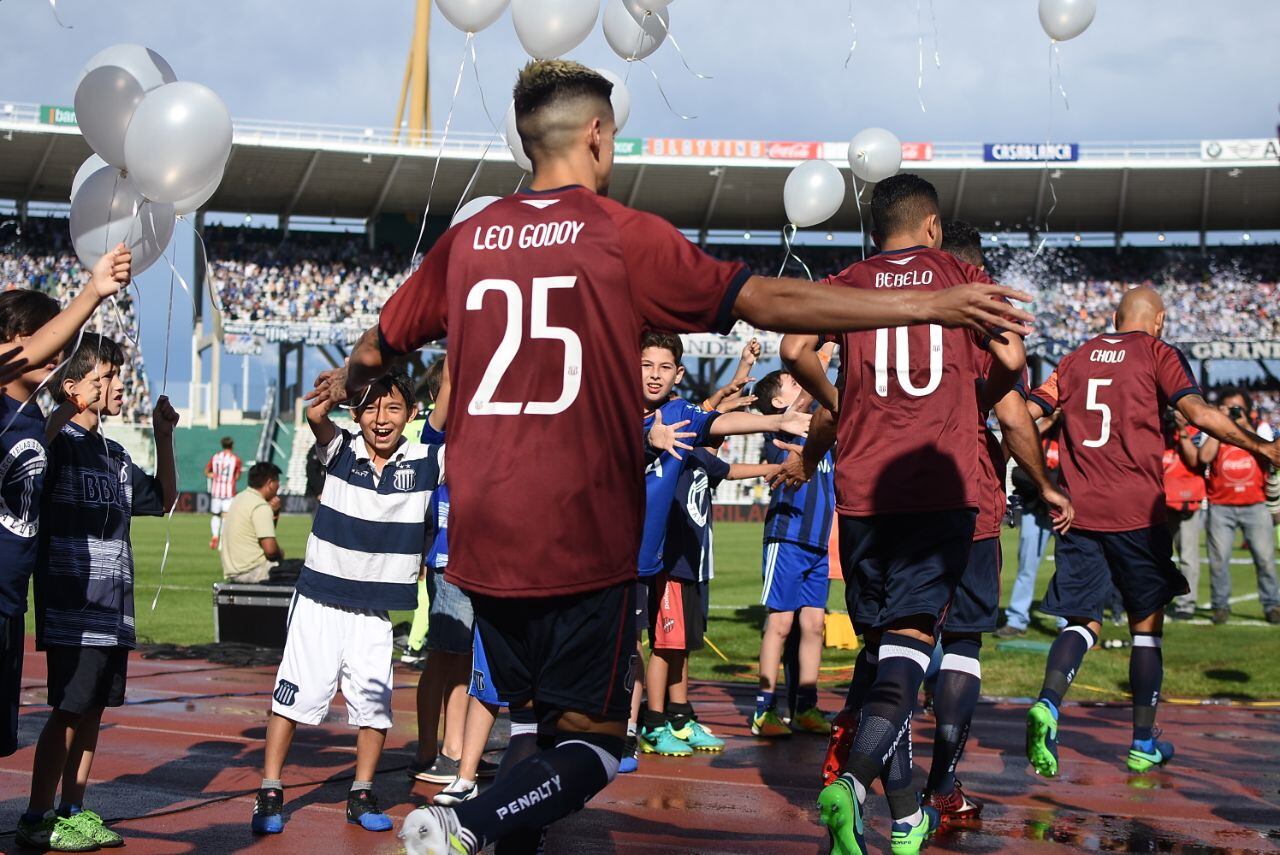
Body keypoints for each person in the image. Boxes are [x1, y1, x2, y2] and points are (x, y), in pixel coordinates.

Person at [324, 61, 1030, 855]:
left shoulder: (465, 242)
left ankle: (486, 828)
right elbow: (765, 299)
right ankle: (463, 825)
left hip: (484, 532)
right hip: (577, 531)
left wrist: (341, 389)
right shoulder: (614, 234)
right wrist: (927, 302)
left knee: (530, 718)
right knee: (593, 744)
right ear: (596, 134)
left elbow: (374, 348)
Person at [778, 176, 1027, 855]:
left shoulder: (850, 277)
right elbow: (1010, 357)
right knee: (908, 650)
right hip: (936, 488)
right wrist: (978, 396)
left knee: (884, 652)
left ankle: (909, 811)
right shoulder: (958, 275)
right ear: (933, 227)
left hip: (862, 491)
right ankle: (854, 784)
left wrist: (842, 395)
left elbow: (793, 350)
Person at [1023, 288, 1280, 783]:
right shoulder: (1158, 353)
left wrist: (1038, 474)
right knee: (1146, 627)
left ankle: (1049, 704)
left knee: (1081, 620)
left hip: (1078, 510)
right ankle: (1142, 743)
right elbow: (1201, 416)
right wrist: (1263, 449)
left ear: (1113, 318)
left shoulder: (1075, 357)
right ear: (1158, 321)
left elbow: (1030, 413)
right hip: (1137, 514)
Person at [252, 368, 444, 835]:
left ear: (413, 414)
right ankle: (270, 790)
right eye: (371, 408)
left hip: (374, 610)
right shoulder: (340, 448)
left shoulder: (427, 458)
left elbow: (452, 403)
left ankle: (361, 793)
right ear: (355, 414)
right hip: (320, 599)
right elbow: (316, 412)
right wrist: (344, 387)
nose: (381, 418)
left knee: (375, 708)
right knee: (291, 697)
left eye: (394, 408)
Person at [19, 333, 178, 852]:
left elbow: (164, 498)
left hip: (113, 610)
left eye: (116, 374)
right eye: (103, 377)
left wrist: (164, 436)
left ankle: (73, 809)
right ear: (72, 388)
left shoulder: (115, 453)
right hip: (74, 607)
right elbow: (43, 431)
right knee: (68, 709)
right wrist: (68, 405)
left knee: (93, 712)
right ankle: (37, 816)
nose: (116, 384)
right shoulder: (56, 444)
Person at [635, 332, 813, 762]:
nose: (655, 375)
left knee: (683, 643)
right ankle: (651, 723)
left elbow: (724, 449)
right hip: (661, 555)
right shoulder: (659, 424)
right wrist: (770, 418)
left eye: (664, 368)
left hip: (690, 557)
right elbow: (714, 416)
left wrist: (776, 456)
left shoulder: (694, 441)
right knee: (661, 643)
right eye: (647, 366)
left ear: (677, 373)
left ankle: (678, 714)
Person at [0, 245, 131, 776]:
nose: (52, 349)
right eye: (38, 334)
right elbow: (31, 355)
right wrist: (93, 291)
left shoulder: (32, 418)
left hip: (10, 604)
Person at [750, 368, 835, 739]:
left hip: (817, 541)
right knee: (780, 624)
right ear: (777, 402)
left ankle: (806, 705)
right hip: (787, 537)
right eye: (793, 382)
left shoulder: (820, 428)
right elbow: (803, 400)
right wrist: (825, 348)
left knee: (814, 625)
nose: (802, 386)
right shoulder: (783, 429)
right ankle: (764, 709)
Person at [1199, 388, 1280, 625]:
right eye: (1228, 408)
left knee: (1265, 559)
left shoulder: (1261, 428)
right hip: (1221, 505)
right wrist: (1219, 426)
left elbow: (1270, 454)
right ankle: (1220, 606)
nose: (1233, 412)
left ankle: (1272, 605)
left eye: (1238, 408)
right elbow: (1204, 457)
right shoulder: (1211, 429)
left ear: (1248, 409)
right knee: (1218, 560)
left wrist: (1244, 426)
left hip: (1255, 504)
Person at [997, 410, 1064, 638]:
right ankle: (1017, 619)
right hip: (1034, 506)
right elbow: (1023, 434)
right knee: (1027, 566)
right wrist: (1051, 419)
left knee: (1066, 566)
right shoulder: (1041, 429)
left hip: (1064, 508)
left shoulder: (1074, 430)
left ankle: (1066, 622)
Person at [1163, 411, 1205, 620]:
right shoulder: (1158, 430)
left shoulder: (1196, 431)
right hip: (1158, 502)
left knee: (1188, 556)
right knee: (1156, 556)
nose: (1173, 413)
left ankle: (1186, 604)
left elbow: (1195, 461)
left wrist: (1182, 431)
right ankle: (1155, 599)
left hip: (1186, 501)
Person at [220, 461, 288, 585]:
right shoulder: (260, 506)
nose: (278, 486)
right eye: (277, 481)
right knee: (302, 571)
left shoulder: (239, 498)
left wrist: (275, 514)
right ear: (269, 483)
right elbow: (271, 551)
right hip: (253, 571)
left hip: (234, 570)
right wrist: (281, 553)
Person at [206, 436, 242, 549]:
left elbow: (207, 472)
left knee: (216, 515)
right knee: (226, 516)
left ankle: (215, 535)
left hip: (216, 491)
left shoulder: (215, 457)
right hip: (229, 492)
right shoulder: (235, 459)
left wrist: (214, 476)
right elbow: (237, 476)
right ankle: (222, 542)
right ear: (232, 445)